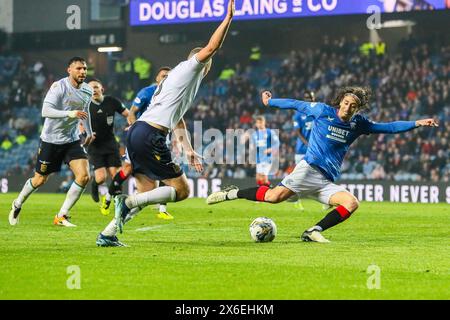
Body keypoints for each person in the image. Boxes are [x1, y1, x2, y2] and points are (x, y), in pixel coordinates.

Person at [207, 87, 439, 243]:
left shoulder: (359, 124)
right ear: (340, 102)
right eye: (346, 103)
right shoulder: (322, 111)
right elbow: (296, 104)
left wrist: (416, 123)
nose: (348, 108)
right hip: (308, 169)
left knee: (350, 203)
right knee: (273, 198)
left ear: (357, 109)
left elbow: (388, 127)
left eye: (353, 106)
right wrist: (270, 102)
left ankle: (313, 231)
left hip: (325, 180)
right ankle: (233, 193)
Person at [96, 0, 235, 247]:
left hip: (140, 132)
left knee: (147, 193)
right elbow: (212, 46)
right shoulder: (189, 67)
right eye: (206, 60)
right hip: (150, 135)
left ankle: (107, 234)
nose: (208, 63)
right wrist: (228, 19)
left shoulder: (180, 84)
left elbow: (177, 119)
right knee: (182, 191)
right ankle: (125, 202)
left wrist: (189, 149)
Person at [9, 57, 95, 227]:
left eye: (84, 69)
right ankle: (17, 203)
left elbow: (85, 111)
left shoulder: (87, 90)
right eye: (78, 68)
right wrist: (69, 114)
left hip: (71, 140)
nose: (83, 72)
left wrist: (90, 132)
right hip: (50, 140)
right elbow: (45, 111)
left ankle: (61, 215)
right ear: (69, 70)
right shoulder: (58, 87)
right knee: (40, 180)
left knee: (84, 176)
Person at [107, 67, 174, 220]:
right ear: (157, 77)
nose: (166, 78)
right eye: (163, 75)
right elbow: (131, 113)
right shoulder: (147, 92)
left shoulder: (171, 95)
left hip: (160, 138)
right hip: (141, 137)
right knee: (129, 169)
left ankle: (161, 209)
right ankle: (111, 197)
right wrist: (135, 128)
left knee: (165, 171)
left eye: (169, 77)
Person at [85, 78, 129, 215]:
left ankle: (113, 203)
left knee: (116, 175)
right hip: (95, 146)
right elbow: (80, 124)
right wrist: (86, 135)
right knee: (101, 178)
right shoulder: (85, 105)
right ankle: (94, 184)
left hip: (110, 143)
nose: (94, 90)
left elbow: (128, 114)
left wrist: (132, 124)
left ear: (102, 89)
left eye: (96, 87)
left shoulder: (111, 101)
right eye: (90, 88)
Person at [291, 90, 315, 211]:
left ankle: (325, 201)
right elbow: (297, 131)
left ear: (313, 98)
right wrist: (307, 143)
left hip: (314, 150)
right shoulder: (298, 114)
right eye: (305, 97)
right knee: (298, 175)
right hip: (301, 149)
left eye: (309, 98)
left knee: (316, 174)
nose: (307, 100)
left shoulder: (317, 112)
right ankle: (296, 200)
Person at [250, 115, 279, 187]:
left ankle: (270, 191)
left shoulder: (270, 132)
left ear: (264, 122)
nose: (259, 124)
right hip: (258, 158)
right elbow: (253, 146)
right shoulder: (254, 134)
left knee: (264, 178)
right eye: (258, 123)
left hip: (267, 158)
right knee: (258, 178)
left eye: (261, 122)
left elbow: (277, 143)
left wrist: (270, 149)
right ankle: (262, 191)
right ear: (256, 124)